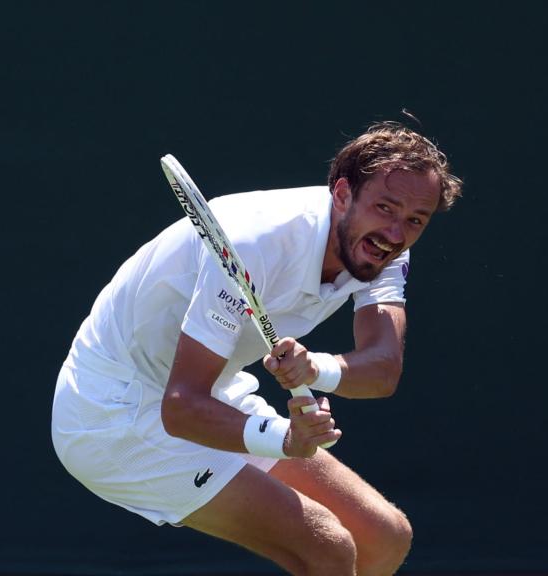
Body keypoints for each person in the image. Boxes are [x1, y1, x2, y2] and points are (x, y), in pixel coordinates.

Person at [51, 122, 462, 576]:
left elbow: (382, 372)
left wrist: (314, 369)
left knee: (383, 537)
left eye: (415, 219)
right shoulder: (256, 243)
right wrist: (286, 439)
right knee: (326, 549)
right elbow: (181, 408)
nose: (396, 231)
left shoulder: (385, 246)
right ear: (342, 194)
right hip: (113, 414)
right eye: (385, 207)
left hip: (210, 391)